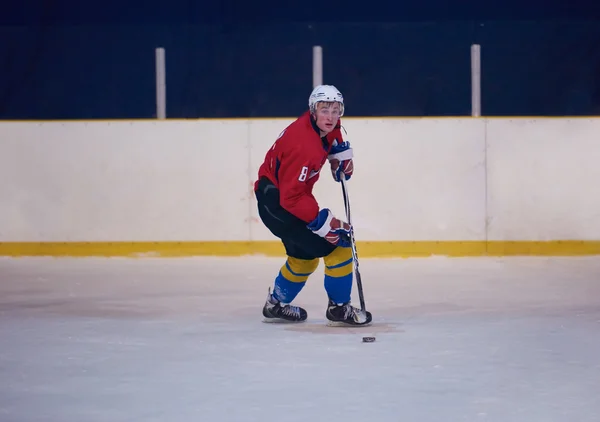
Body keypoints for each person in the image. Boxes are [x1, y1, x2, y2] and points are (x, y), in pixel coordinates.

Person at [253, 84, 372, 326]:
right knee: (339, 245)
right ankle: (339, 309)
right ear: (313, 110)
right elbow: (291, 197)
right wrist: (323, 224)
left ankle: (275, 305)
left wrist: (337, 154)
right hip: (280, 206)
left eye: (336, 110)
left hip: (278, 199)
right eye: (324, 110)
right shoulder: (303, 146)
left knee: (304, 257)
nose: (330, 116)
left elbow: (333, 132)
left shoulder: (320, 124)